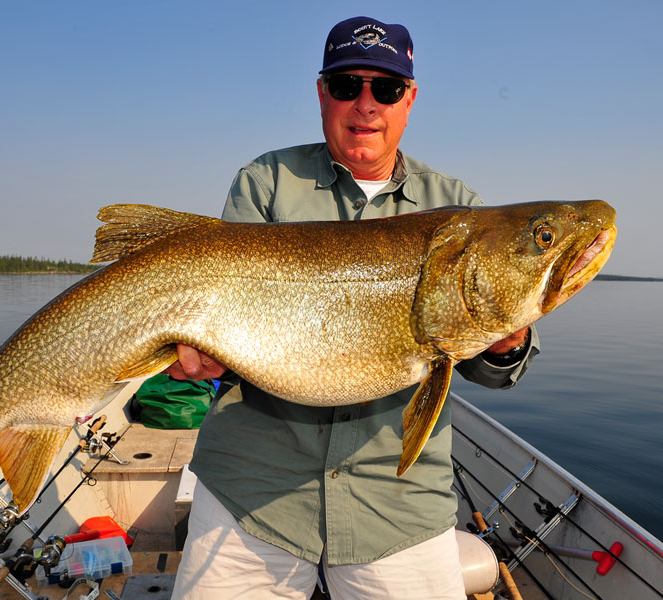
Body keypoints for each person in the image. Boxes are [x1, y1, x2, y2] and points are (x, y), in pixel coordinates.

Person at [168, 16, 539, 600]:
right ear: (322, 94)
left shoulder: (460, 209)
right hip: (251, 494)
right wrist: (205, 355)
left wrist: (507, 341)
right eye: (347, 86)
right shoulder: (266, 182)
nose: (366, 104)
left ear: (408, 101)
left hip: (396, 508)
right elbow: (216, 311)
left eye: (386, 89)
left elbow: (494, 371)